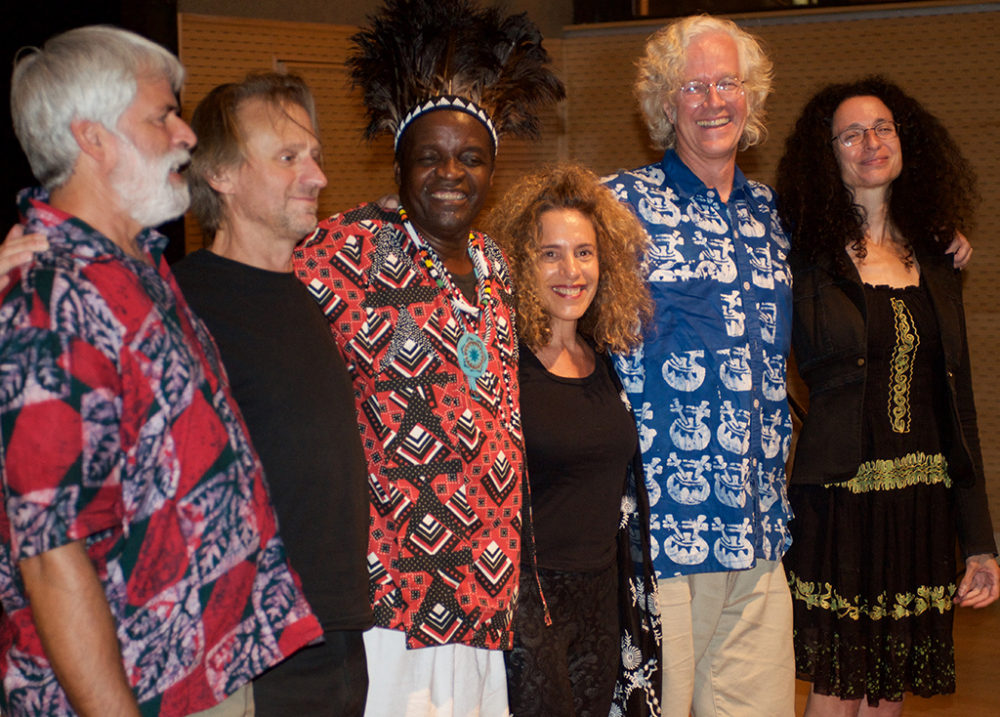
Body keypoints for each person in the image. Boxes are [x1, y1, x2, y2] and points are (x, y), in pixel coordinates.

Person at [0, 26, 320, 716]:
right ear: (93, 139)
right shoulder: (53, 299)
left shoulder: (137, 264)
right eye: (162, 115)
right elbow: (51, 553)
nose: (186, 134)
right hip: (136, 689)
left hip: (203, 668)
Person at [291, 1, 564, 714]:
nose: (451, 173)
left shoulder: (496, 265)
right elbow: (249, 280)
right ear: (399, 164)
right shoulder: (347, 249)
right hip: (396, 598)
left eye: (470, 158)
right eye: (430, 157)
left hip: (487, 586)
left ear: (491, 170)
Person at [775, 75, 999, 716]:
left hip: (921, 505)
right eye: (851, 134)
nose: (871, 142)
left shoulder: (937, 257)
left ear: (905, 141)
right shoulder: (799, 252)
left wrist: (979, 541)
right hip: (839, 501)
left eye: (882, 128)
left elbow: (959, 405)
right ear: (828, 155)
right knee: (837, 689)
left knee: (887, 690)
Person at [601, 15, 797, 715]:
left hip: (760, 529)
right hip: (664, 536)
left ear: (750, 97)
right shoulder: (616, 206)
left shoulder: (773, 215)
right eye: (693, 87)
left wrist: (934, 236)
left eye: (727, 84)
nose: (713, 101)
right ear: (665, 103)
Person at [172, 72, 373, 715]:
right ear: (220, 174)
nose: (316, 176)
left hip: (336, 634)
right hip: (250, 649)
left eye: (314, 155)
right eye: (288, 158)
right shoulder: (180, 306)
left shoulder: (305, 298)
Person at [487, 164, 660, 716]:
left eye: (584, 252)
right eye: (550, 254)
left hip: (602, 598)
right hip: (528, 605)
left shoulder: (603, 360)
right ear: (521, 263)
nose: (571, 270)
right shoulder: (501, 366)